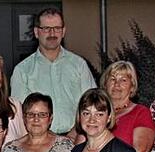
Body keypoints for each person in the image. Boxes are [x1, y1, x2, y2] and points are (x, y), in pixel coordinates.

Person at [10, 7, 96, 139]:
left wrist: (75, 134)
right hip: (38, 142)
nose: (52, 33)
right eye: (46, 28)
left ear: (63, 31)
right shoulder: (22, 70)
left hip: (78, 139)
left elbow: (91, 104)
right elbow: (20, 114)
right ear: (36, 32)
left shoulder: (79, 65)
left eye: (57, 28)